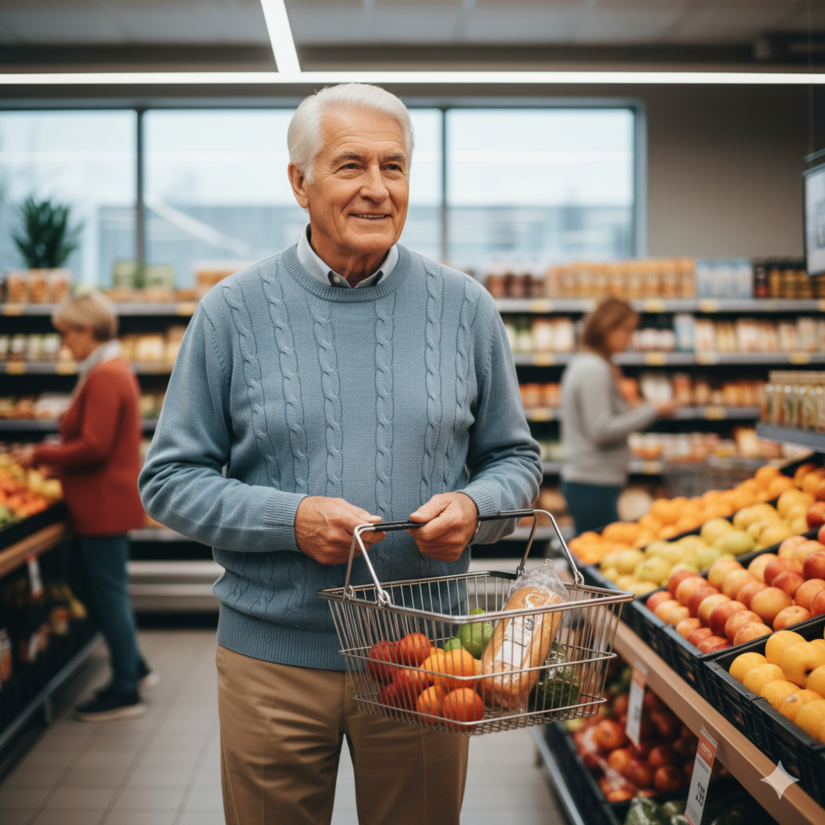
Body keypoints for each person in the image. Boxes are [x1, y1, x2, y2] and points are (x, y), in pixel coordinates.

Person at [138, 83, 541, 825]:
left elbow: (514, 459)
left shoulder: (466, 307)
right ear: (299, 182)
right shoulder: (231, 310)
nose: (376, 188)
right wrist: (288, 519)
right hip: (273, 658)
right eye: (350, 164)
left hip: (428, 656)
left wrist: (476, 506)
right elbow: (167, 479)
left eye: (394, 167)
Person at [12, 291, 156, 721]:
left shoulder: (107, 374)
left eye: (66, 334)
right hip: (96, 502)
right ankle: (134, 665)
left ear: (87, 330)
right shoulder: (103, 370)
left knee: (108, 593)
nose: (64, 344)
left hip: (103, 507)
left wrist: (40, 455)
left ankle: (125, 688)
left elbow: (94, 445)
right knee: (88, 584)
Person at [560, 298, 678, 535]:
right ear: (607, 328)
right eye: (627, 330)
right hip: (593, 482)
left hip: (592, 481)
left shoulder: (590, 364)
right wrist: (653, 410)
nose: (630, 338)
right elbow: (601, 430)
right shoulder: (593, 369)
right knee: (596, 556)